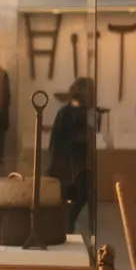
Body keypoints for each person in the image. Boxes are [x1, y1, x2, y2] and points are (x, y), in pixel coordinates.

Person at [48, 77, 95, 234]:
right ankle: (67, 224)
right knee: (72, 197)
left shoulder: (79, 113)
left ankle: (69, 223)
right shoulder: (67, 114)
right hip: (68, 166)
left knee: (81, 194)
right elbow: (59, 143)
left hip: (77, 165)